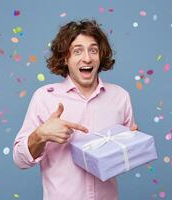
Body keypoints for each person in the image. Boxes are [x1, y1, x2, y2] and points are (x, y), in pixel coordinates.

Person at [13, 19, 138, 200]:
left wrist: (133, 144)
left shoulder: (120, 97)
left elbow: (126, 159)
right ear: (65, 58)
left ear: (100, 56)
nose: (87, 58)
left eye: (93, 50)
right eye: (77, 51)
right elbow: (19, 160)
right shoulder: (44, 98)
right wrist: (40, 135)